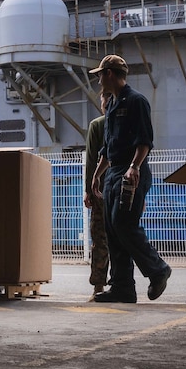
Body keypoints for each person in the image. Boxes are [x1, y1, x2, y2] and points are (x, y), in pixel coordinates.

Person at [89, 54, 170, 304]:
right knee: (113, 229)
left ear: (110, 74)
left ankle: (158, 270)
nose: (99, 79)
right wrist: (97, 175)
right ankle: (122, 287)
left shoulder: (136, 101)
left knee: (124, 225)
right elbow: (107, 146)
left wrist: (134, 166)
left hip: (131, 173)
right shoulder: (112, 104)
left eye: (100, 74)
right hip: (114, 173)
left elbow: (144, 139)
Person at [82, 113, 110, 299]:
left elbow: (92, 158)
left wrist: (88, 190)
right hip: (124, 187)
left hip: (101, 189)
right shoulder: (127, 121)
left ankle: (98, 286)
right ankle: (123, 283)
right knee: (123, 238)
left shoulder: (97, 124)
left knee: (100, 238)